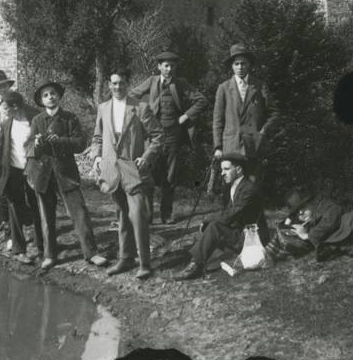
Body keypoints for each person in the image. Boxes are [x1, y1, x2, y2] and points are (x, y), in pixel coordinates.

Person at [27, 81, 109, 271]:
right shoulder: (37, 120)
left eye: (53, 93)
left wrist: (61, 141)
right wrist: (38, 144)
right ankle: (49, 255)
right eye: (46, 95)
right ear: (41, 100)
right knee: (46, 216)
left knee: (79, 213)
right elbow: (30, 147)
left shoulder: (70, 118)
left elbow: (80, 143)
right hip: (43, 173)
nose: (50, 97)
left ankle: (91, 253)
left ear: (59, 96)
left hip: (66, 172)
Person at [91, 69, 162, 280]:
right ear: (109, 85)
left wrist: (147, 157)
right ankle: (125, 258)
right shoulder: (103, 108)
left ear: (127, 84)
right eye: (113, 83)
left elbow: (158, 136)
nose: (117, 87)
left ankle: (145, 263)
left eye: (121, 83)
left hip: (134, 170)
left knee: (138, 214)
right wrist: (96, 157)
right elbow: (97, 137)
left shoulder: (140, 107)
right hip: (112, 170)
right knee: (122, 215)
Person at [129, 51, 207, 225]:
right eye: (166, 65)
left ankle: (166, 214)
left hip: (173, 135)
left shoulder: (181, 84)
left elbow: (201, 100)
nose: (169, 69)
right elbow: (132, 96)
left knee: (170, 177)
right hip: (152, 137)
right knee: (147, 174)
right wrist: (143, 113)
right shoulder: (152, 81)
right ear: (159, 67)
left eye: (172, 66)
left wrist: (184, 117)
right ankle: (147, 216)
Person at [175, 153, 267, 280]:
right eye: (222, 169)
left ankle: (195, 265)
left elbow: (232, 214)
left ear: (239, 169)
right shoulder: (234, 186)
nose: (222, 173)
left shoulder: (249, 188)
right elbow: (227, 213)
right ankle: (198, 258)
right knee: (213, 225)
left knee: (214, 226)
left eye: (227, 169)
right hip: (240, 232)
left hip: (252, 238)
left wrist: (208, 219)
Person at [0, 89, 44, 264]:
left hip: (34, 169)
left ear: (15, 106)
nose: (3, 112)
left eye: (5, 109)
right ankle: (19, 250)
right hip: (13, 170)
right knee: (14, 207)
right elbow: (3, 147)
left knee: (36, 206)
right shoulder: (6, 124)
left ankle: (42, 246)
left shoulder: (36, 119)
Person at [212, 44, 276, 161]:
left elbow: (273, 113)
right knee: (233, 179)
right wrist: (218, 147)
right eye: (236, 64)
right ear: (232, 66)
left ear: (249, 65)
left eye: (243, 63)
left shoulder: (260, 86)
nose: (240, 67)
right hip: (231, 147)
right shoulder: (224, 88)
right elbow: (218, 120)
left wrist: (263, 132)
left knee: (252, 179)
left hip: (254, 146)